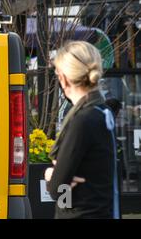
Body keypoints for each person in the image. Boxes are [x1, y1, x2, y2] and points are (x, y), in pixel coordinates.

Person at [45, 41, 119, 219]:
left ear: (63, 78)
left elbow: (57, 190)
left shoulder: (82, 121)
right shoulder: (102, 111)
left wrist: (50, 174)